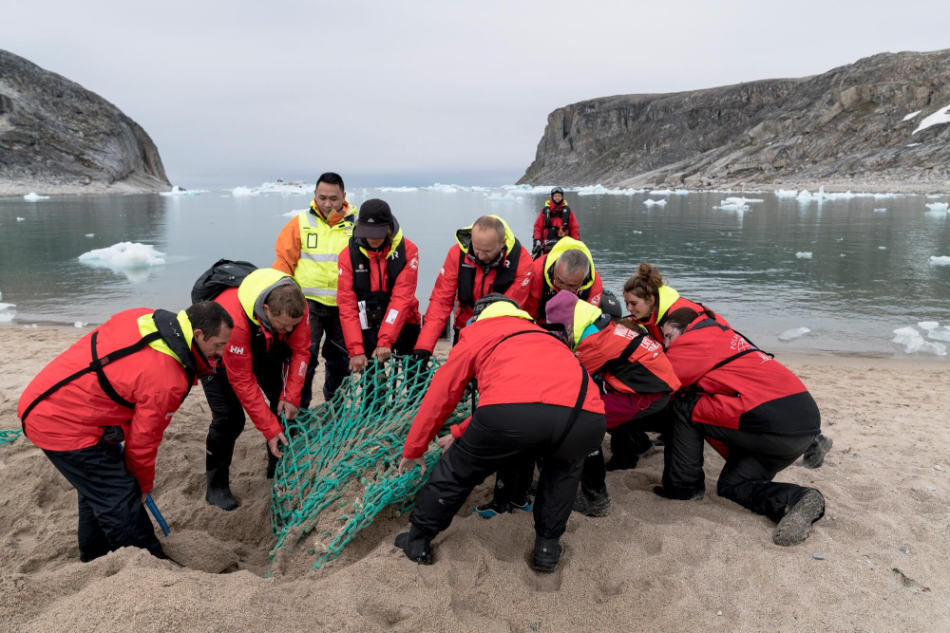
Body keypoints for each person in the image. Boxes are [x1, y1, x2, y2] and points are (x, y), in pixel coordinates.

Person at [395, 294, 606, 572]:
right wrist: (461, 431)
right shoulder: (546, 336)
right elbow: (525, 394)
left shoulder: (478, 333)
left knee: (458, 471)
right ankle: (547, 547)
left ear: (479, 317)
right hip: (585, 417)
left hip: (512, 416)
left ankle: (419, 539)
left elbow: (442, 394)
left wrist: (415, 448)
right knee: (563, 473)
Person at [17, 302, 233, 562]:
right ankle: (147, 565)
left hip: (54, 398)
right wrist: (141, 486)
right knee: (120, 498)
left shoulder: (143, 316)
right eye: (219, 345)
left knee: (98, 489)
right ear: (198, 335)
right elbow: (143, 441)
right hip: (61, 422)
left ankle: (94, 557)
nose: (221, 352)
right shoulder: (168, 379)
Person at [624, 262, 832, 468]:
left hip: (724, 359)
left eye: (633, 303)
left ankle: (813, 440)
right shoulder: (661, 312)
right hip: (728, 353)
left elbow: (680, 366)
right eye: (627, 304)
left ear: (650, 299)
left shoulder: (675, 317)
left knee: (725, 400)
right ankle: (812, 439)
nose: (629, 309)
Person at [656, 308, 826, 546]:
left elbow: (660, 383)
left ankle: (683, 487)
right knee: (732, 486)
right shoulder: (727, 336)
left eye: (669, 336)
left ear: (686, 331)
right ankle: (798, 499)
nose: (666, 345)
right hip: (803, 428)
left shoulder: (692, 343)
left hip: (773, 423)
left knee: (684, 406)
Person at [544, 290, 681, 516]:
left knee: (584, 421)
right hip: (650, 385)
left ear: (567, 325)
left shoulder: (590, 342)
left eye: (557, 331)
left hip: (647, 394)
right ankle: (636, 446)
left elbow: (568, 380)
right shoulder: (599, 325)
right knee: (596, 399)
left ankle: (595, 497)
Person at [202, 268, 305, 511]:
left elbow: (301, 351)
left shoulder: (296, 306)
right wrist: (269, 430)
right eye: (285, 326)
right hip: (220, 352)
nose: (290, 331)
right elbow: (243, 382)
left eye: (293, 326)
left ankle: (276, 468)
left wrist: (291, 396)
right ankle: (216, 486)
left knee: (283, 405)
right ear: (267, 310)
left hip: (265, 341)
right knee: (230, 418)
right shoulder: (232, 322)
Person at [273, 172, 355, 405]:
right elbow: (283, 265)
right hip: (307, 305)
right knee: (303, 360)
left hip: (343, 306)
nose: (327, 204)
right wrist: (283, 302)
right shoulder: (299, 223)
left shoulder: (356, 226)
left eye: (333, 198)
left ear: (344, 197)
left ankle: (336, 410)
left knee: (340, 360)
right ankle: (301, 409)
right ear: (314, 196)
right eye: (322, 198)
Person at [412, 215, 532, 359]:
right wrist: (424, 346)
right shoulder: (457, 253)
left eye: (487, 251)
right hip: (464, 329)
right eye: (476, 249)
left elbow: (511, 307)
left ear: (502, 243)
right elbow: (441, 300)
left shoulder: (521, 261)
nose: (480, 256)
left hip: (499, 335)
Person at [337, 199, 421, 372]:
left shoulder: (409, 251)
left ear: (389, 228)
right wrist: (356, 349)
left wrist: (385, 340)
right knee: (372, 382)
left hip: (404, 320)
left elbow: (401, 299)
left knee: (415, 372)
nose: (373, 238)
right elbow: (347, 305)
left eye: (378, 232)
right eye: (368, 231)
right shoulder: (347, 256)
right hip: (367, 321)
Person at [523, 237, 603, 324]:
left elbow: (587, 321)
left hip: (573, 324)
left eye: (571, 285)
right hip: (541, 322)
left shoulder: (594, 283)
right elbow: (529, 315)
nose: (564, 289)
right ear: (554, 268)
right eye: (560, 281)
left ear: (583, 280)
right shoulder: (536, 272)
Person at [532, 187, 580, 258]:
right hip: (547, 245)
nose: (557, 198)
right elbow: (538, 227)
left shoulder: (568, 211)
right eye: (555, 196)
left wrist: (575, 242)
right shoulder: (545, 211)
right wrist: (537, 241)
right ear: (552, 197)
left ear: (562, 197)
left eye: (559, 196)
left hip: (564, 245)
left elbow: (574, 228)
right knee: (535, 263)